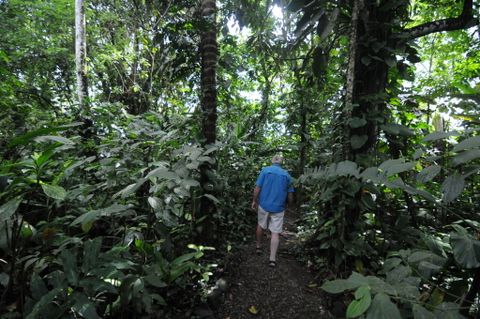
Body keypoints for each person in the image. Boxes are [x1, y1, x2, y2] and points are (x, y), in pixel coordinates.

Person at [251, 155, 294, 268]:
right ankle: (272, 259)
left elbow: (257, 187)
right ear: (281, 162)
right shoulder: (287, 175)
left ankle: (258, 246)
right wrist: (289, 204)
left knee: (260, 225)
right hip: (279, 207)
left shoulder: (265, 171)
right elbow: (290, 195)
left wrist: (254, 200)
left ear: (272, 161)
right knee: (275, 232)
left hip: (264, 204)